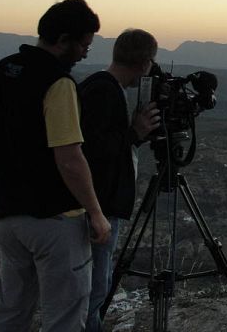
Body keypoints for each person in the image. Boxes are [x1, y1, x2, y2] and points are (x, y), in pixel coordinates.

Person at [0, 0, 112, 332]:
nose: (84, 54)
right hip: (54, 220)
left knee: (13, 309)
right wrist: (96, 212)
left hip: (9, 216)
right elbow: (69, 158)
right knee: (64, 315)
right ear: (64, 40)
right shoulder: (58, 83)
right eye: (84, 45)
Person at [79, 28, 161, 332]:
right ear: (144, 63)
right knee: (94, 289)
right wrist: (134, 133)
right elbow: (92, 150)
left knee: (94, 286)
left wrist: (134, 136)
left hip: (97, 204)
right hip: (99, 205)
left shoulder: (101, 86)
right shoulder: (105, 91)